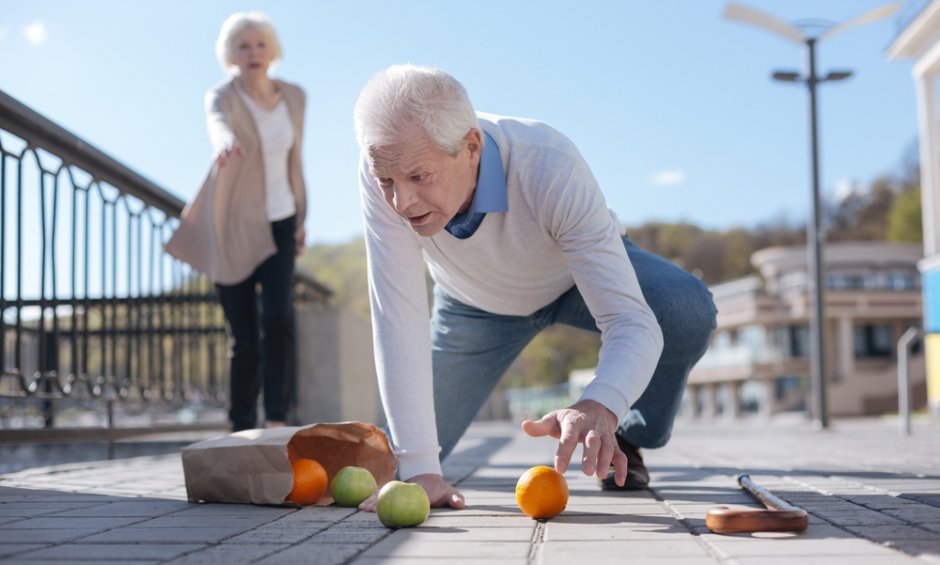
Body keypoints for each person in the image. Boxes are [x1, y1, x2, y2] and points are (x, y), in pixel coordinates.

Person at [352, 64, 716, 510]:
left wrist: (600, 404)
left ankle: (626, 434)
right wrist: (422, 471)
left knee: (684, 307)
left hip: (573, 278)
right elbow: (397, 315)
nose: (401, 202)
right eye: (387, 181)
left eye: (419, 178)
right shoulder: (386, 164)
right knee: (389, 461)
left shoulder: (547, 162)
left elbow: (629, 320)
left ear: (471, 146)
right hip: (475, 304)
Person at [165, 12, 308, 431]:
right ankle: (241, 425)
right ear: (231, 54)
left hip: (280, 220)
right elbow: (218, 123)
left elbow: (296, 160)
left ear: (272, 49)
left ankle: (278, 419)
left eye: (260, 44)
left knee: (279, 319)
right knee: (244, 338)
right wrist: (225, 141)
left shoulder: (295, 97)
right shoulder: (221, 95)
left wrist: (302, 215)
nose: (253, 53)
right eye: (243, 46)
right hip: (230, 225)